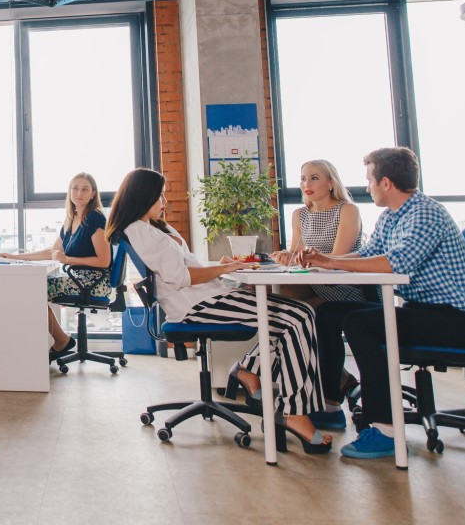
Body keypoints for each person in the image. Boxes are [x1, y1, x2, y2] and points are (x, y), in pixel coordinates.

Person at [107, 168, 332, 453]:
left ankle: (249, 371)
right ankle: (293, 413)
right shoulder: (139, 231)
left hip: (207, 297)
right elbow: (181, 278)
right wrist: (227, 268)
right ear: (143, 196)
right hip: (196, 307)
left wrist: (221, 267)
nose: (164, 201)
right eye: (159, 196)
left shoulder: (156, 228)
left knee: (296, 315)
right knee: (298, 317)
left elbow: (186, 267)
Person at [302, 147, 465, 459]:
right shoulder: (391, 216)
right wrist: (325, 261)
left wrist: (331, 263)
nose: (367, 187)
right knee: (328, 313)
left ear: (385, 182)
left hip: (455, 320)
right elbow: (367, 254)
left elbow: (394, 264)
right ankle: (331, 405)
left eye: (369, 180)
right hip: (420, 311)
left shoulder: (425, 213)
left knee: (360, 323)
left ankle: (386, 429)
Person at [0, 172, 111, 361]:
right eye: (75, 188)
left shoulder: (95, 218)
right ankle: (61, 340)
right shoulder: (72, 219)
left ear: (93, 194)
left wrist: (67, 259)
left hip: (93, 282)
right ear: (70, 191)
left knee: (30, 288)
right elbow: (52, 251)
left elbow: (104, 261)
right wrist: (14, 256)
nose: (79, 193)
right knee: (30, 286)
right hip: (77, 278)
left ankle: (61, 341)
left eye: (85, 189)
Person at [274, 159, 371, 306]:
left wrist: (306, 259)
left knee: (302, 308)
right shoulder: (299, 214)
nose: (307, 184)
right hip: (313, 280)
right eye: (303, 179)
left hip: (343, 282)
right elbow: (295, 254)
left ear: (331, 183)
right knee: (280, 294)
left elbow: (338, 258)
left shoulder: (348, 210)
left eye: (314, 178)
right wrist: (286, 256)